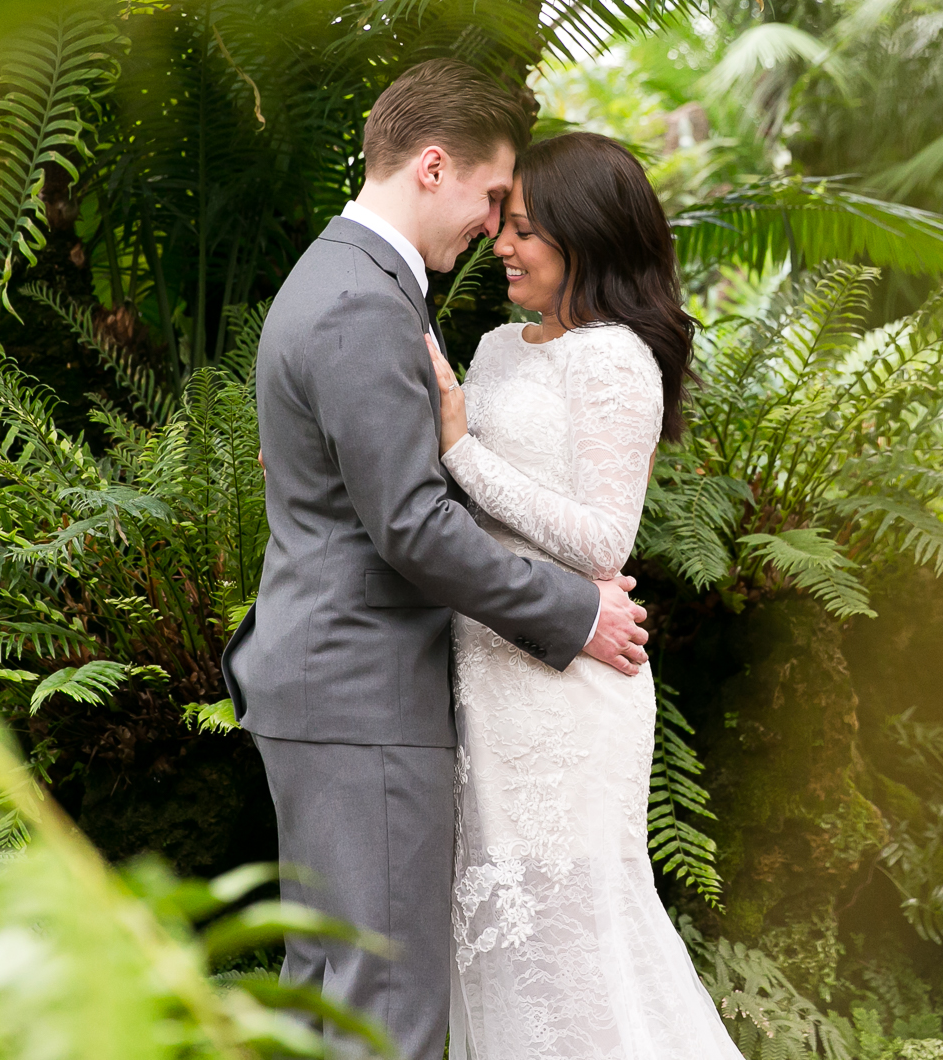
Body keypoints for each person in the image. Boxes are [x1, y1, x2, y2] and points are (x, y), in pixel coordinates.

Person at [219, 60, 651, 1060]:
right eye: (492, 196)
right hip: (360, 690)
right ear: (429, 167)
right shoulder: (360, 303)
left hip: (329, 684)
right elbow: (408, 524)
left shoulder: (338, 279)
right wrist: (571, 610)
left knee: (326, 1001)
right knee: (388, 1016)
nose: (495, 228)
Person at [426, 130, 744, 1060]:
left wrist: (458, 450)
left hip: (571, 694)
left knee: (574, 946)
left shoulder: (616, 360)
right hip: (489, 678)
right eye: (503, 224)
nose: (502, 245)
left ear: (586, 236)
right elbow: (463, 509)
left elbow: (604, 537)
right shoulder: (490, 347)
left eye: (524, 228)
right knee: (502, 948)